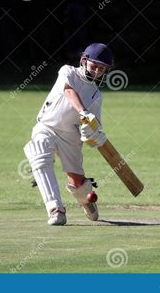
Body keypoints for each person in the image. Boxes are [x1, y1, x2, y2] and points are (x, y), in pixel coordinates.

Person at [23, 43, 113, 225]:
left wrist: (93, 133)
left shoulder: (96, 94)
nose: (96, 72)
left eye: (101, 69)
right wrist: (83, 112)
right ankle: (56, 210)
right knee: (39, 158)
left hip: (70, 135)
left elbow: (93, 126)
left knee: (77, 181)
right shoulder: (68, 71)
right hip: (46, 126)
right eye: (94, 66)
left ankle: (85, 200)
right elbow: (68, 91)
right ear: (84, 61)